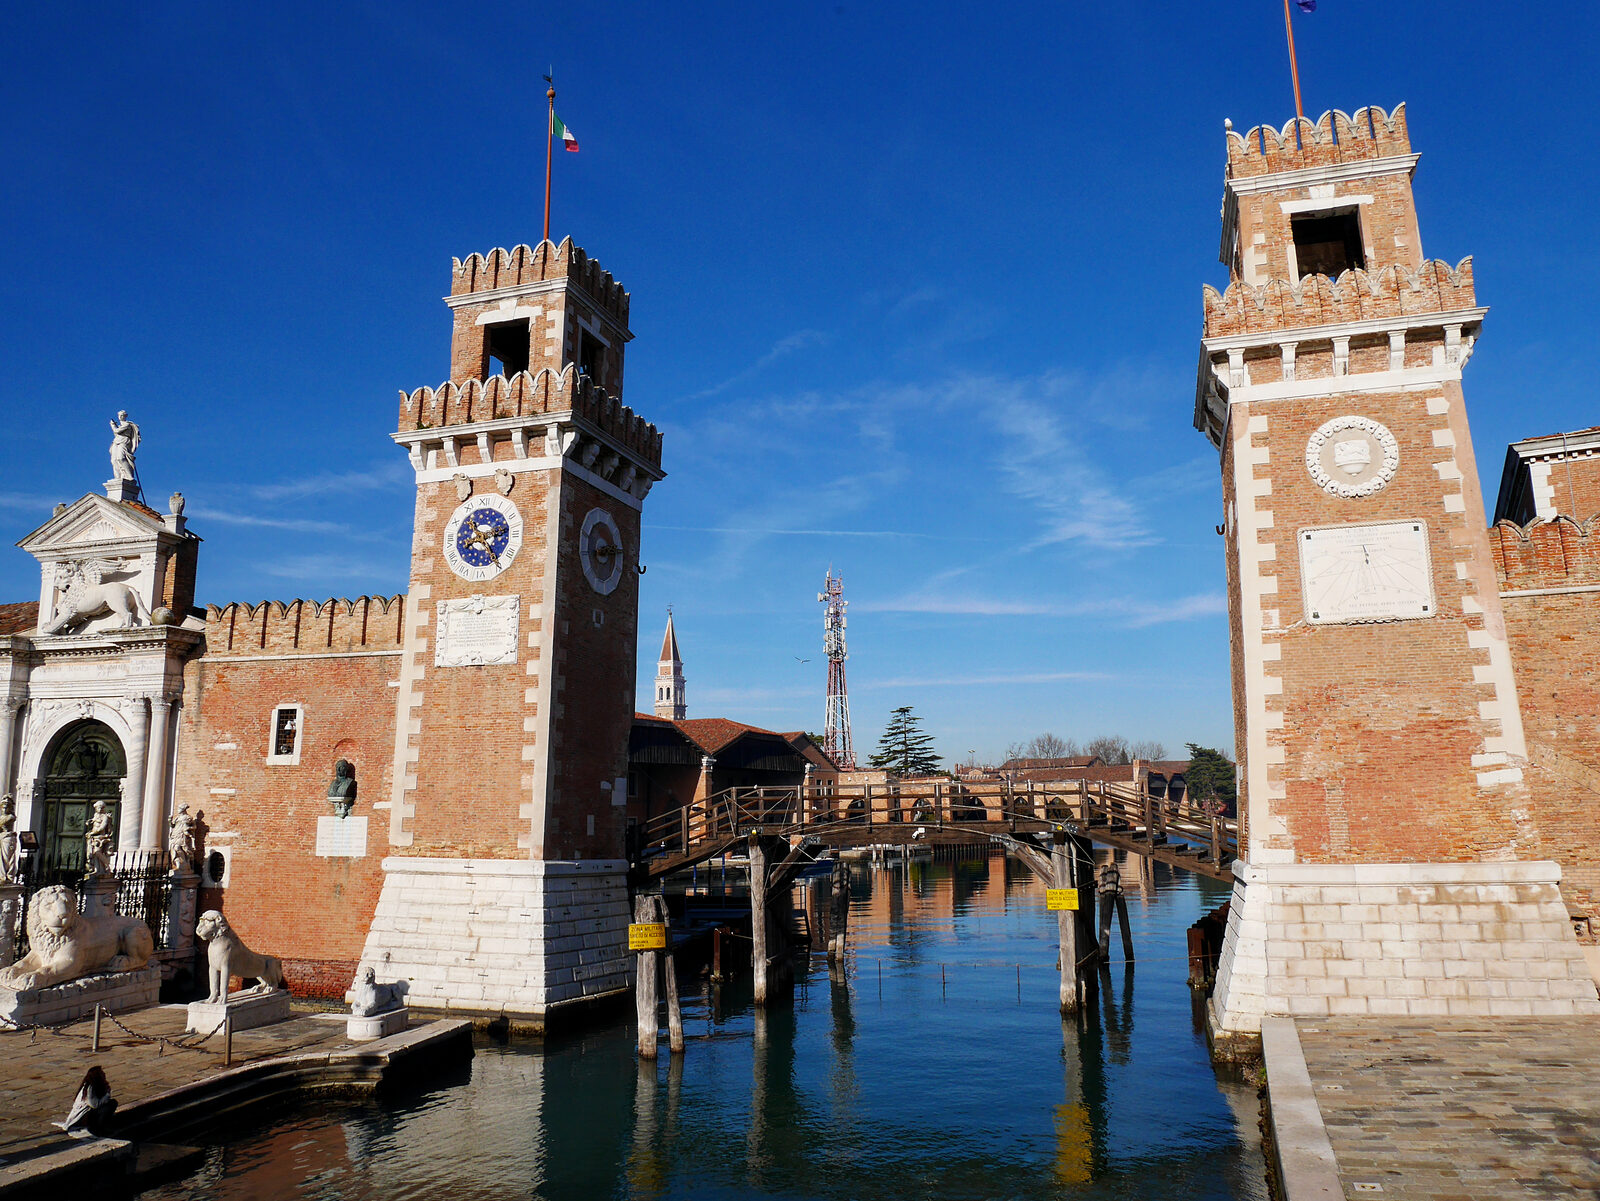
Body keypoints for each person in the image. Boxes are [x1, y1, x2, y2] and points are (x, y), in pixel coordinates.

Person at [84, 800, 114, 874]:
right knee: (93, 855)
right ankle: (96, 870)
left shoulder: (105, 817)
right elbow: (93, 821)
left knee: (97, 852)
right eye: (98, 808)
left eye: (101, 808)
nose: (100, 809)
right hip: (94, 837)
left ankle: (108, 864)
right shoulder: (96, 815)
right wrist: (90, 821)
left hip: (100, 837)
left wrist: (93, 832)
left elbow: (102, 827)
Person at [109, 411, 139, 482]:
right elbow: (117, 434)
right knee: (114, 460)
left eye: (122, 415)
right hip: (116, 442)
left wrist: (113, 425)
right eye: (119, 415)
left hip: (124, 441)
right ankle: (118, 477)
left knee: (121, 458)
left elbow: (117, 431)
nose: (120, 417)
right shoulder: (121, 426)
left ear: (125, 416)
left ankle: (129, 476)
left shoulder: (127, 424)